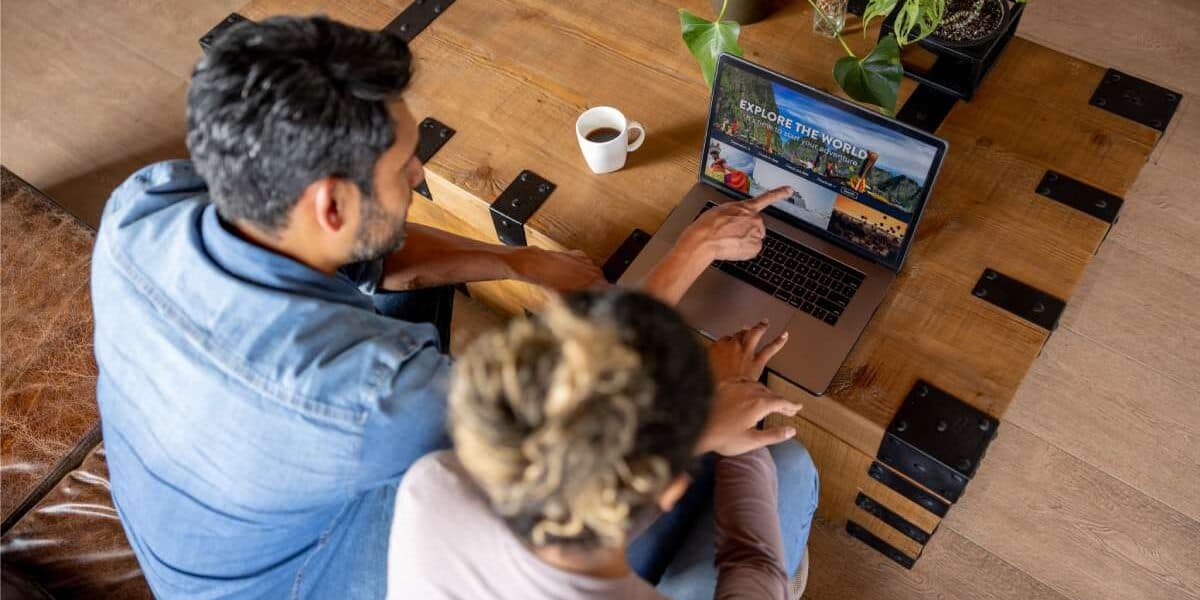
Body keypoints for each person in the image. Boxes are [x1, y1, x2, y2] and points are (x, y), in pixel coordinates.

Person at [90, 15, 794, 599]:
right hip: (302, 578)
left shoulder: (143, 207)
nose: (422, 173)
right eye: (405, 168)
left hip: (205, 517)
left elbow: (371, 248)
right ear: (330, 204)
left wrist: (515, 260)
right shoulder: (378, 397)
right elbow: (576, 429)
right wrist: (695, 274)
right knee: (776, 470)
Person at [387, 289, 819, 599]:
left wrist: (699, 424)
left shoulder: (432, 486)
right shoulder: (432, 482)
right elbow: (751, 562)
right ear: (668, 489)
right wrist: (734, 390)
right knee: (791, 465)